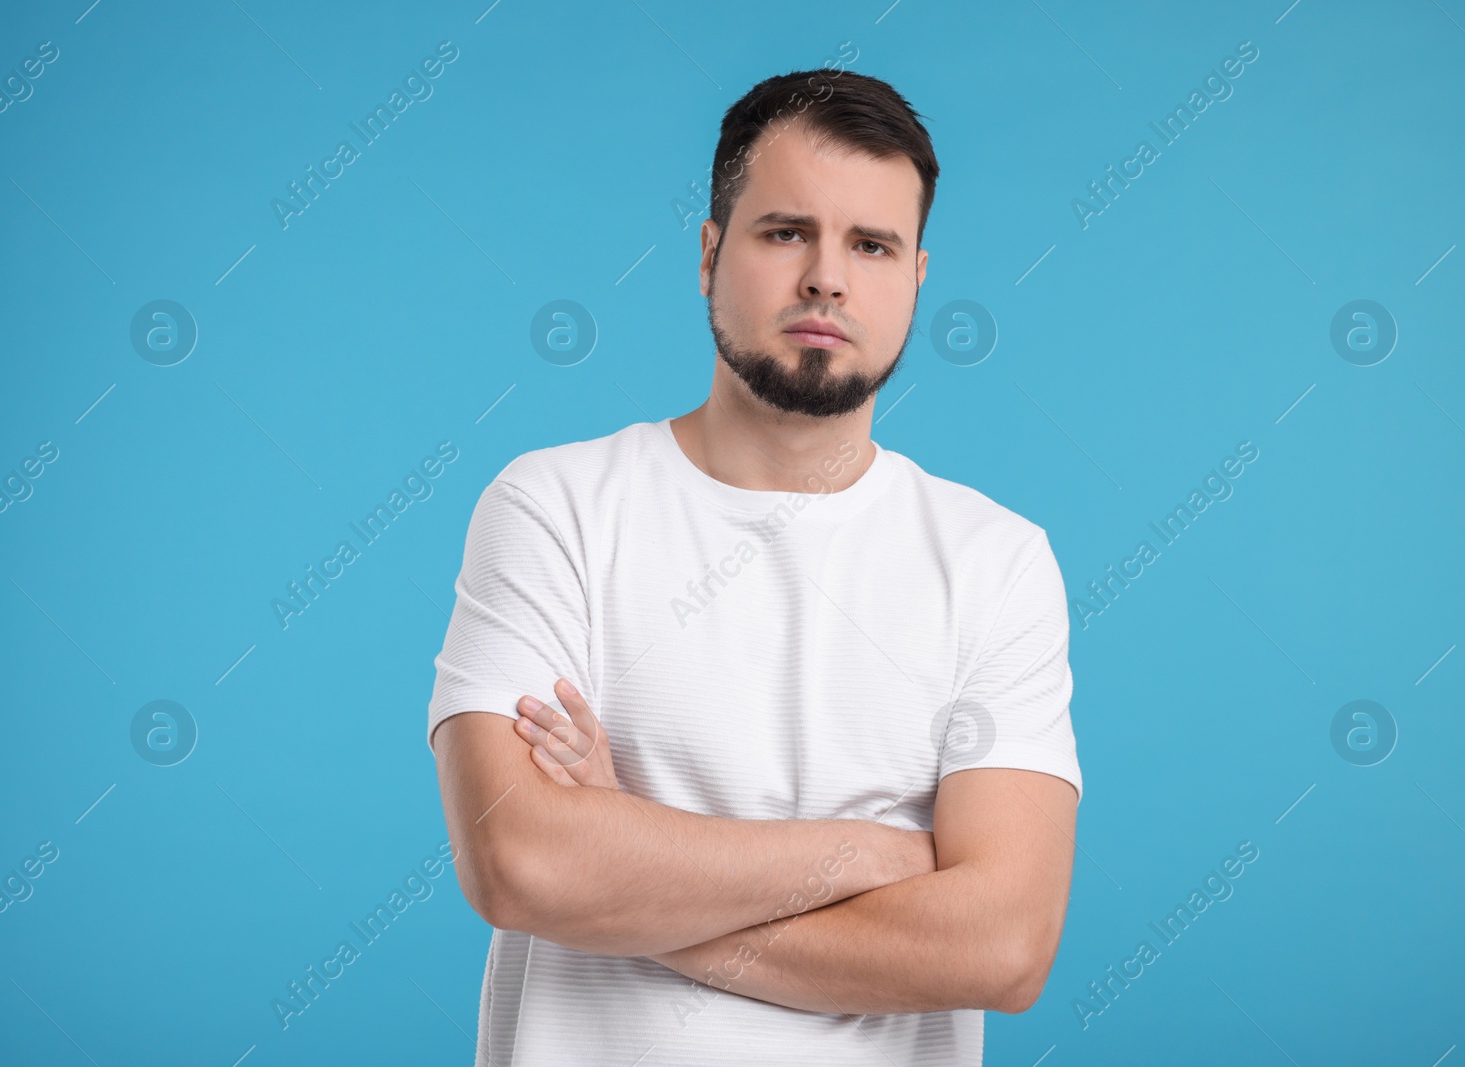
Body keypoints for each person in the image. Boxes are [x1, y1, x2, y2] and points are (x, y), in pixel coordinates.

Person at [427, 67, 1082, 1066]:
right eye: (786, 232)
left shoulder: (995, 562)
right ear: (706, 254)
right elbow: (521, 862)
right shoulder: (553, 507)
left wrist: (626, 851)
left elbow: (1002, 945)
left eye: (871, 245)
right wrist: (866, 857)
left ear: (914, 279)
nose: (827, 275)